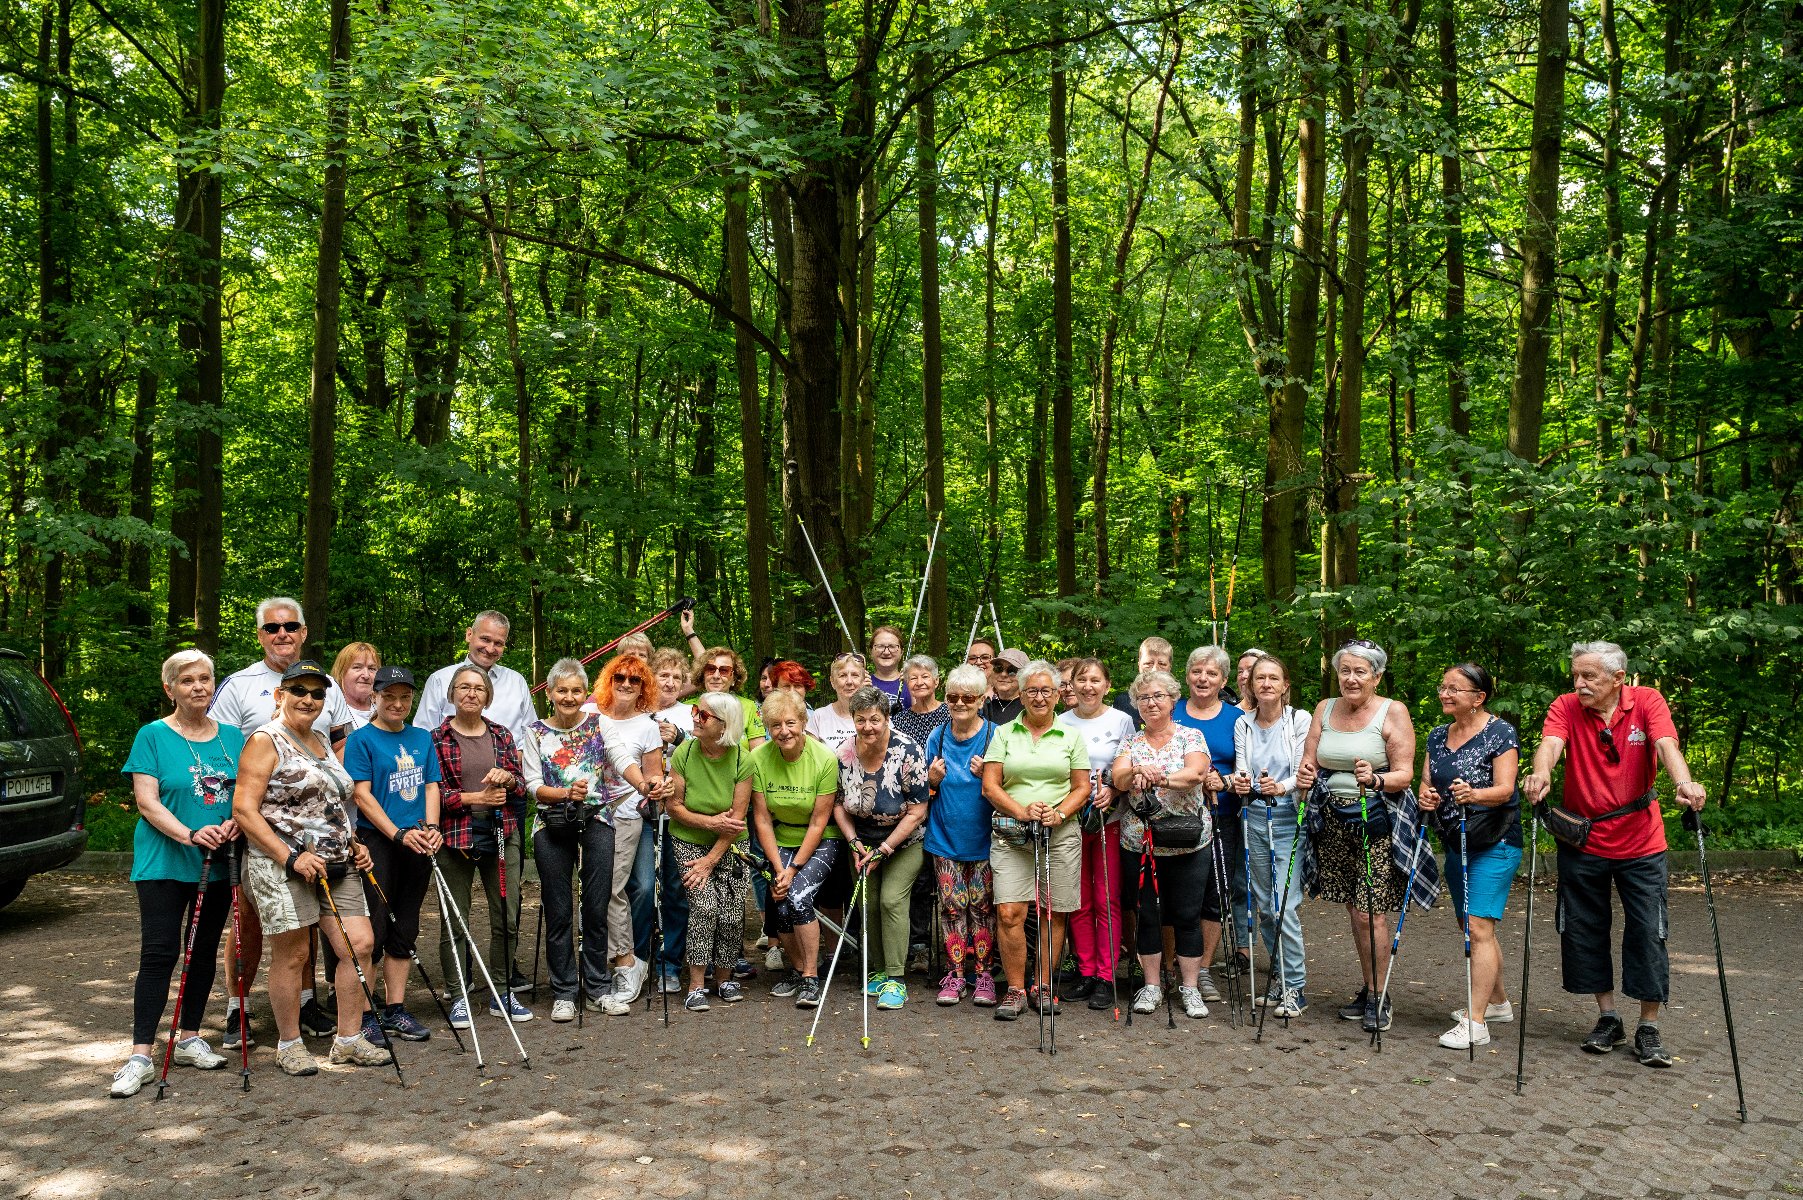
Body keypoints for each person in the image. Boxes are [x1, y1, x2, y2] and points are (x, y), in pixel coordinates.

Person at [1522, 641, 1706, 1068]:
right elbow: (1550, 744)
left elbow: (1665, 745)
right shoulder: (1567, 706)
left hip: (1641, 842)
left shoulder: (1646, 701)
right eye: (1576, 676)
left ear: (1618, 678)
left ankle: (1648, 1025)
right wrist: (1541, 773)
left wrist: (1684, 782)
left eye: (1590, 676)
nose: (1580, 684)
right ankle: (1607, 1017)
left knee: (1647, 929)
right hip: (1582, 840)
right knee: (1583, 927)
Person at [232, 660, 390, 1076]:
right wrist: (291, 856)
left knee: (360, 944)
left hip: (337, 863)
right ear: (280, 695)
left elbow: (332, 804)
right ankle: (289, 1044)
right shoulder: (265, 740)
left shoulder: (321, 739)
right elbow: (244, 810)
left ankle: (349, 1040)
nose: (308, 699)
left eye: (317, 693)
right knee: (294, 954)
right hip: (281, 864)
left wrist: (353, 842)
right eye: (299, 691)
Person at [209, 597, 352, 1048]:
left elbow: (339, 745)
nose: (282, 634)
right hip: (261, 827)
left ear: (304, 631)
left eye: (291, 626)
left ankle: (307, 1002)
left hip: (322, 833)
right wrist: (239, 812)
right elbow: (217, 750)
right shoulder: (238, 685)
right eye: (272, 628)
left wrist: (332, 805)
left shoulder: (326, 684)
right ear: (260, 635)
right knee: (251, 923)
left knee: (308, 924)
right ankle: (239, 1007)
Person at [111, 649, 245, 1097]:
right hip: (165, 862)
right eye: (187, 680)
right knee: (160, 953)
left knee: (203, 950)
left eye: (205, 679)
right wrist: (191, 834)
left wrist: (235, 823)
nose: (199, 687)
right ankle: (141, 1054)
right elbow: (147, 802)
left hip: (219, 862)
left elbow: (249, 795)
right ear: (170, 688)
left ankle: (188, 1037)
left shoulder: (233, 737)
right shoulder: (152, 735)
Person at [1297, 639, 1417, 1034]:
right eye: (1345, 671)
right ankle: (1368, 989)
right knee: (1354, 910)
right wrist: (1304, 775)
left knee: (1371, 912)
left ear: (1376, 676)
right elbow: (1310, 760)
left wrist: (1377, 778)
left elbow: (1405, 774)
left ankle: (1380, 995)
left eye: (1360, 672)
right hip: (1333, 821)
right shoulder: (1324, 708)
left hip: (1376, 821)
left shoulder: (1392, 711)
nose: (1351, 678)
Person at [1415, 663, 1521, 1050]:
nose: (1445, 694)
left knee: (1479, 928)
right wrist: (1426, 795)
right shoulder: (1437, 735)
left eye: (1455, 689)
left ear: (1479, 698)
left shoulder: (1500, 732)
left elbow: (1506, 789)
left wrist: (1474, 794)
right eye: (1443, 687)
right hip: (1454, 841)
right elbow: (1427, 782)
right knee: (1471, 926)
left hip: (1496, 841)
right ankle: (1497, 1003)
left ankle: (1476, 1024)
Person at [982, 660, 1091, 1020]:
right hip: (1013, 833)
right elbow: (991, 785)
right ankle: (1014, 989)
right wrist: (1021, 811)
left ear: (1058, 694)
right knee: (1010, 911)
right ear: (1022, 694)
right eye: (1032, 691)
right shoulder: (1004, 733)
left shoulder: (1071, 736)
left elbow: (1082, 787)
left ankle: (1042, 986)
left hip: (1058, 834)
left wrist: (1058, 814)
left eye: (1046, 690)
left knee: (1052, 912)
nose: (1039, 697)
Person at [343, 666, 443, 1042]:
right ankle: (366, 1012)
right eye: (389, 697)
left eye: (404, 697)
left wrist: (431, 829)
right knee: (375, 928)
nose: (397, 704)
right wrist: (397, 833)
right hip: (380, 841)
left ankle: (396, 1010)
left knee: (407, 925)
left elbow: (431, 785)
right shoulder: (362, 739)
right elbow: (361, 794)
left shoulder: (421, 738)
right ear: (376, 698)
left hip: (417, 839)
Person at [431, 663, 533, 1026]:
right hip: (453, 838)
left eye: (478, 688)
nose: (471, 693)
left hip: (502, 834)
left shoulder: (502, 736)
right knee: (454, 919)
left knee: (506, 916)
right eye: (463, 687)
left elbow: (522, 786)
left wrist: (508, 778)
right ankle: (458, 994)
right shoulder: (436, 738)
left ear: (488, 697)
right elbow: (435, 794)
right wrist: (476, 798)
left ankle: (502, 992)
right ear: (452, 695)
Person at [520, 658, 621, 1021]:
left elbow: (620, 759)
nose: (569, 696)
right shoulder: (534, 732)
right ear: (549, 693)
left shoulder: (599, 724)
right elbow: (531, 785)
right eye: (561, 690)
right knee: (559, 909)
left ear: (586, 693)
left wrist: (642, 783)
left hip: (597, 819)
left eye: (576, 690)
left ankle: (598, 987)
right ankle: (564, 991)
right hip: (551, 823)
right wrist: (565, 794)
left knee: (596, 907)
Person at [1113, 669, 1215, 1018]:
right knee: (1147, 916)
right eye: (1143, 697)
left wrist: (1160, 777)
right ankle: (1152, 985)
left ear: (1173, 700)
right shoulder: (1131, 743)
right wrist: (1135, 772)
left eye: (1158, 696)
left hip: (1189, 842)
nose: (1151, 702)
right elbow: (1119, 777)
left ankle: (1190, 989)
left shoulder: (1191, 736)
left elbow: (1197, 774)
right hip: (1140, 842)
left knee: (1188, 916)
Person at [834, 686, 931, 1010]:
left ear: (886, 718)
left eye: (875, 719)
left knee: (890, 900)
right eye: (861, 720)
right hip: (861, 841)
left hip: (905, 841)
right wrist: (855, 843)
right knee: (868, 902)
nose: (868, 726)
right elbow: (837, 805)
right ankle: (876, 969)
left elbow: (918, 809)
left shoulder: (908, 750)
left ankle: (896, 978)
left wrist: (885, 849)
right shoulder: (844, 752)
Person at [587, 654, 673, 1007]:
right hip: (589, 816)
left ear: (643, 687)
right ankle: (610, 959)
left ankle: (627, 961)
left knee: (616, 889)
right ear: (609, 680)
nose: (625, 683)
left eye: (634, 680)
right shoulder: (592, 718)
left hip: (625, 815)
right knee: (599, 890)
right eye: (619, 677)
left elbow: (651, 774)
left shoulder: (647, 725)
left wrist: (659, 785)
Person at [1230, 652, 1311, 1019]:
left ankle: (1296, 987)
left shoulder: (1298, 719)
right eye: (1260, 678)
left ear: (1285, 686)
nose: (1266, 684)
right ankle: (1279, 976)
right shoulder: (1243, 724)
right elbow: (1240, 768)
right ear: (1250, 684)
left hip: (1288, 817)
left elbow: (1303, 770)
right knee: (1264, 905)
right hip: (1254, 817)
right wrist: (1243, 782)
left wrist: (1280, 787)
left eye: (1273, 678)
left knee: (1283, 904)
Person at [750, 689, 842, 1008]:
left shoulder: (824, 759)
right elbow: (762, 819)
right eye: (775, 724)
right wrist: (778, 869)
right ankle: (797, 969)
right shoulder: (758, 758)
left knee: (798, 896)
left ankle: (811, 978)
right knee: (779, 900)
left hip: (821, 838)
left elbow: (819, 822)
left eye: (790, 722)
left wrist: (791, 870)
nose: (784, 731)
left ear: (804, 721)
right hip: (781, 836)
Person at [667, 692, 756, 1011]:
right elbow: (674, 807)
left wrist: (711, 859)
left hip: (730, 844)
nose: (694, 718)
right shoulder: (685, 753)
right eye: (694, 711)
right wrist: (708, 822)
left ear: (724, 725)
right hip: (688, 838)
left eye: (703, 715)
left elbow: (736, 821)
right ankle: (696, 984)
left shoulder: (741, 759)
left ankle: (725, 978)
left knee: (731, 912)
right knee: (704, 907)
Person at [1056, 658, 1136, 1008]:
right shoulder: (1061, 722)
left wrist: (1115, 792)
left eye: (1095, 680)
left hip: (1110, 818)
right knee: (1079, 899)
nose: (1088, 686)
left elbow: (1129, 768)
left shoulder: (1122, 720)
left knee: (1107, 897)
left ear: (1107, 685)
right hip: (1070, 819)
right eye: (1081, 680)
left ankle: (1107, 975)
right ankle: (1086, 971)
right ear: (1070, 686)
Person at [923, 665, 1000, 1007]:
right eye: (953, 697)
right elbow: (922, 792)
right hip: (945, 839)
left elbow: (1011, 787)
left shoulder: (996, 735)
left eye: (968, 697)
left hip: (985, 839)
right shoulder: (936, 737)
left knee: (982, 908)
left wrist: (990, 776)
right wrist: (932, 781)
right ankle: (955, 976)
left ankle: (983, 975)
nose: (960, 703)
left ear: (982, 699)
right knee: (952, 908)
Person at [1172, 644, 1245, 1000]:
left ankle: (1202, 970)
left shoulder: (1236, 719)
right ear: (1186, 676)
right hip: (1172, 816)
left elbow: (1245, 766)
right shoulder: (1169, 711)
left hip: (1221, 814)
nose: (1203, 679)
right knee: (1173, 893)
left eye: (1211, 673)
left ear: (1224, 680)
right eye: (1197, 672)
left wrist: (1224, 780)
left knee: (1215, 893)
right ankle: (1173, 964)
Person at [413, 611, 538, 748]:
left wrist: (515, 760)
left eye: (498, 643)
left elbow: (531, 733)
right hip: (451, 765)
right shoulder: (440, 680)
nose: (490, 649)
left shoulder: (516, 682)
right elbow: (423, 734)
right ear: (469, 635)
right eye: (485, 639)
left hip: (509, 766)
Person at [695, 646, 767, 749]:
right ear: (702, 675)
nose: (716, 676)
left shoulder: (749, 707)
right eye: (710, 669)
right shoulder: (688, 707)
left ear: (734, 678)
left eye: (724, 670)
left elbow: (758, 755)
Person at [807, 652, 867, 751]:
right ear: (832, 682)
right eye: (842, 675)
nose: (849, 681)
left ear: (863, 680)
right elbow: (811, 758)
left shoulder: (876, 715)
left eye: (855, 675)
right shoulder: (819, 717)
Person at [1113, 636, 1173, 729]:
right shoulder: (1122, 702)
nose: (1154, 669)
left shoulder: (1179, 703)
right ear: (1139, 665)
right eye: (1148, 663)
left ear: (1169, 667)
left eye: (1161, 664)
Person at [891, 654, 949, 745]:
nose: (919, 682)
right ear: (907, 683)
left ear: (936, 681)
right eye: (913, 678)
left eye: (925, 677)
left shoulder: (951, 714)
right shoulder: (899, 720)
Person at [651, 648, 697, 748]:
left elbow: (705, 751)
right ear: (651, 679)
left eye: (676, 677)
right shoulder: (637, 711)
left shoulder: (693, 712)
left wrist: (680, 738)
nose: (671, 684)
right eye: (664, 676)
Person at [333, 643, 382, 731]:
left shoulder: (385, 707)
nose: (366, 675)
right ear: (341, 673)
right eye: (357, 667)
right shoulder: (332, 710)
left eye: (372, 669)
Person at [866, 625, 908, 711]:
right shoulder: (863, 683)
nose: (886, 652)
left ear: (902, 652)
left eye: (892, 646)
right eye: (880, 646)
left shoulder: (912, 683)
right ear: (871, 651)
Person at [982, 648, 1027, 724]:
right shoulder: (984, 706)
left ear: (1024, 676)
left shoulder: (1029, 707)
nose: (1003, 674)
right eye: (998, 668)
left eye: (1012, 671)